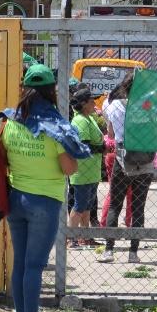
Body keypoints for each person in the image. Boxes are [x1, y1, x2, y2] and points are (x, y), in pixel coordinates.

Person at [0, 64, 85, 312]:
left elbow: (2, 156)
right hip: (44, 202)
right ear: (51, 91)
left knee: (21, 263)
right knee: (35, 265)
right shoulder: (54, 127)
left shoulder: (9, 121)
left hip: (16, 198)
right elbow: (69, 169)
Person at [98, 74, 155, 263]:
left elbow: (112, 134)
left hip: (123, 159)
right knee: (138, 207)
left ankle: (109, 250)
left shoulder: (115, 106)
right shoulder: (149, 105)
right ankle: (133, 253)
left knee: (116, 203)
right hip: (146, 160)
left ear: (125, 86)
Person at [66, 84, 104, 250]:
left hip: (91, 171)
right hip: (83, 171)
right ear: (83, 103)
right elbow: (84, 145)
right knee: (80, 205)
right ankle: (70, 238)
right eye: (91, 101)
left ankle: (85, 237)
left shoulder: (88, 118)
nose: (94, 104)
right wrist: (104, 148)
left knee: (87, 206)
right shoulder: (80, 120)